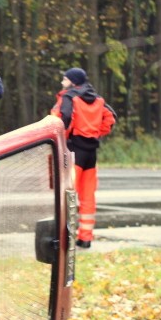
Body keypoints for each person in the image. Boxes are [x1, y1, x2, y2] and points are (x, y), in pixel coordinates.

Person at [51, 67, 117, 249]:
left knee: (67, 195)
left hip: (73, 151)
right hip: (91, 153)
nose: (62, 82)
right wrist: (96, 132)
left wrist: (61, 140)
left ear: (72, 82)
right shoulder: (97, 99)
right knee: (88, 196)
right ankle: (85, 238)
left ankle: (64, 237)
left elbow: (62, 120)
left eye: (64, 79)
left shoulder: (69, 97)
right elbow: (111, 118)